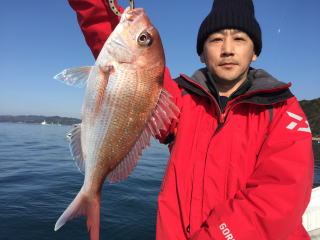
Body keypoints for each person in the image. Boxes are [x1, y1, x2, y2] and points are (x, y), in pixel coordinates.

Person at [68, 0, 314, 239]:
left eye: (240, 38)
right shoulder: (180, 102)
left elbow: (280, 197)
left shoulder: (282, 109)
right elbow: (124, 52)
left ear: (255, 52)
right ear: (201, 53)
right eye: (216, 39)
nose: (227, 48)